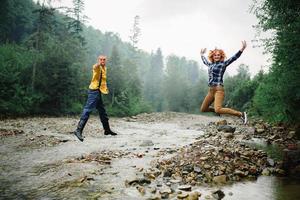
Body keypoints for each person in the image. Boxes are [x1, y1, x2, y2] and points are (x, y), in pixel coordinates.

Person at [200, 41, 248, 124]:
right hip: (211, 91)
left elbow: (234, 58)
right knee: (203, 109)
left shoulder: (223, 64)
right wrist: (201, 54)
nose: (216, 56)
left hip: (219, 90)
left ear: (221, 56)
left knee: (218, 108)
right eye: (215, 55)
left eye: (218, 55)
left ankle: (241, 114)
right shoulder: (210, 65)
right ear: (212, 56)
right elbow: (205, 61)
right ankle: (216, 110)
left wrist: (242, 49)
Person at [74, 55, 117, 142]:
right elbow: (95, 67)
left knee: (102, 112)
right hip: (93, 91)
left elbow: (103, 81)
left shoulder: (105, 68)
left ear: (106, 60)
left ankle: (107, 130)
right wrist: (98, 64)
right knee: (88, 110)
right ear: (98, 60)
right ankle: (78, 130)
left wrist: (105, 89)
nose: (102, 61)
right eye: (101, 60)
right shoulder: (97, 67)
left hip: (99, 92)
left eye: (104, 60)